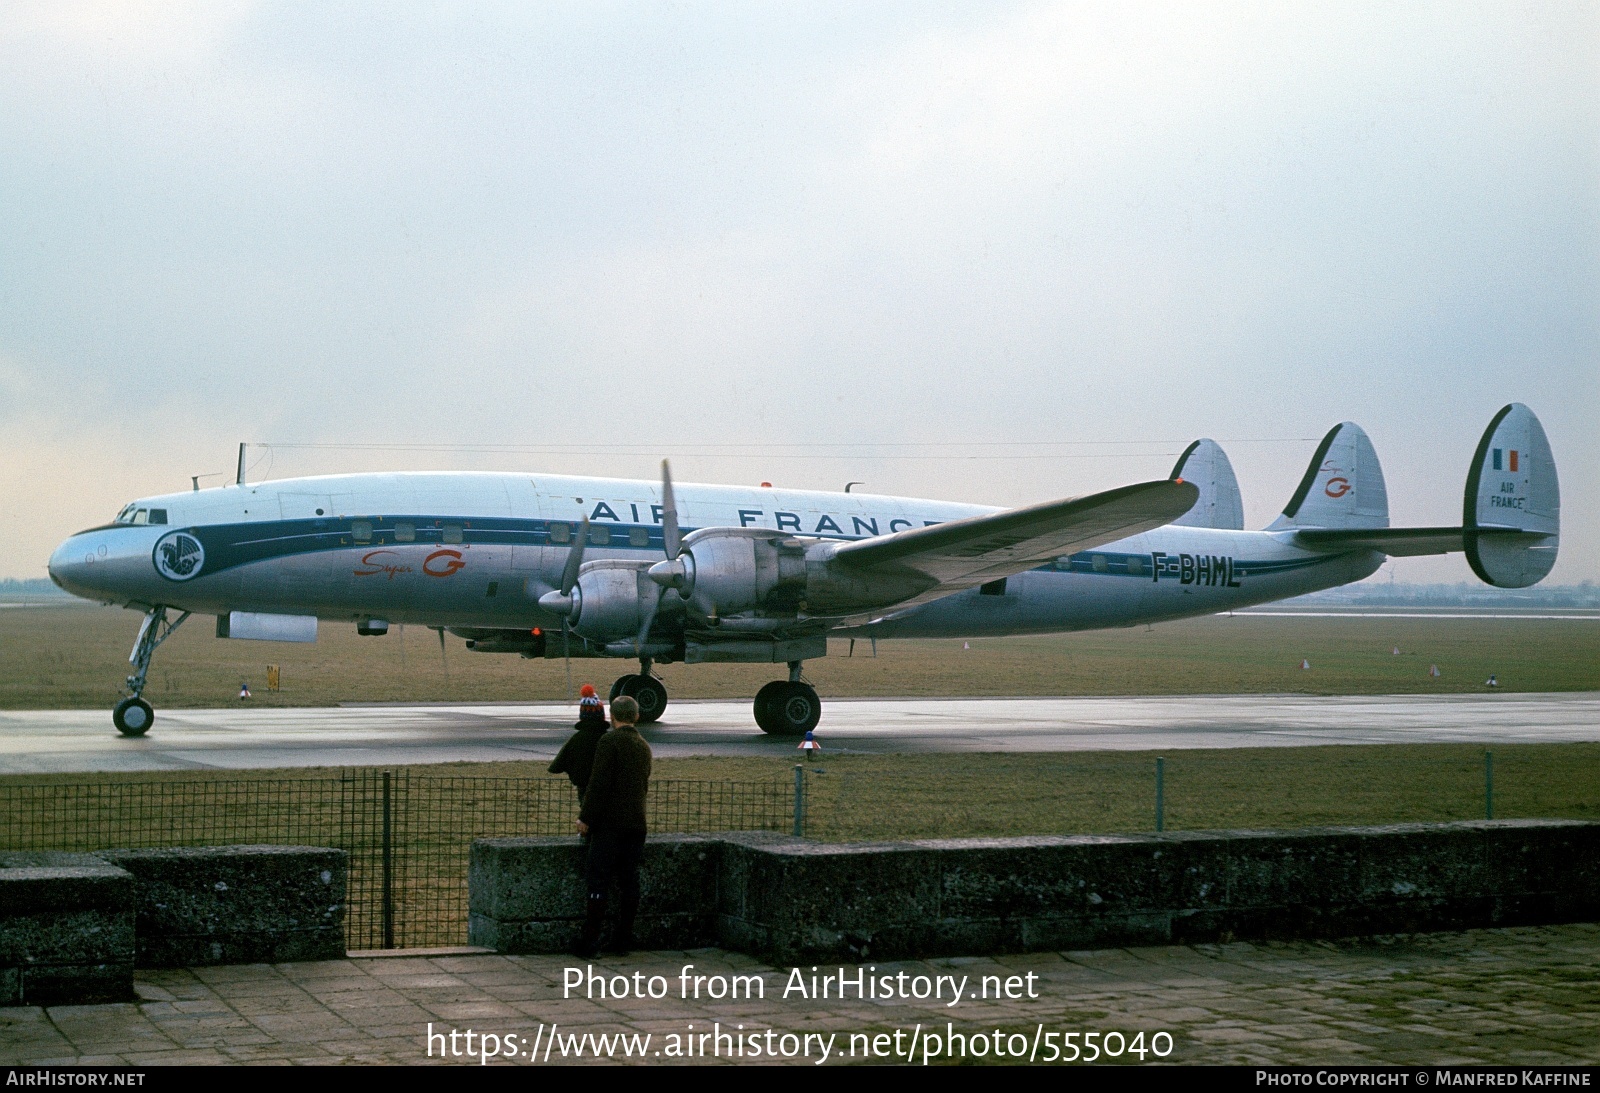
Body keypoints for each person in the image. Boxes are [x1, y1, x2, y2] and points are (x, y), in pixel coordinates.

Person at [574, 693, 652, 957]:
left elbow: (598, 785)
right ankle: (623, 940)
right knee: (629, 882)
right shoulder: (643, 745)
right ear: (637, 716)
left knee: (599, 882)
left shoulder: (608, 742)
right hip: (636, 824)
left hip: (609, 825)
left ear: (612, 716)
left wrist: (586, 818)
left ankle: (591, 942)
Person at [548, 684, 608, 805]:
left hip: (584, 787)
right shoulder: (608, 739)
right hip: (607, 790)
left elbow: (557, 765)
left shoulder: (577, 739)